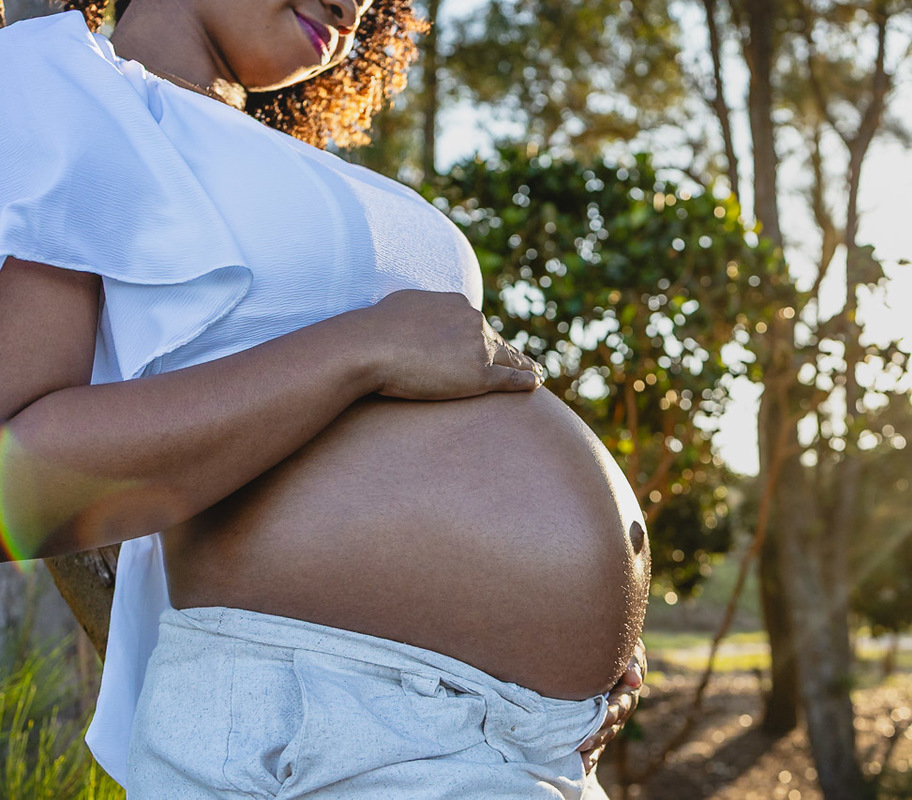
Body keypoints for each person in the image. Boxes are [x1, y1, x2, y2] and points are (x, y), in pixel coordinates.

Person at [0, 0, 649, 797]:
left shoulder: (290, 167)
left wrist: (591, 645)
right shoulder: (70, 85)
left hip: (526, 741)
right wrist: (360, 351)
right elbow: (13, 482)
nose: (356, 4)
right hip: (317, 728)